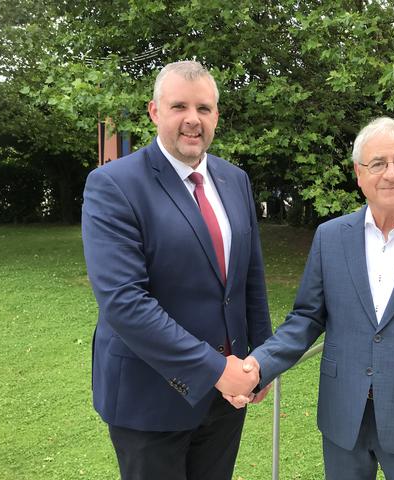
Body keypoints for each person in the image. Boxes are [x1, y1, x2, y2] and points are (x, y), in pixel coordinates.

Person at [227, 117, 394, 479]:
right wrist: (260, 366)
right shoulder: (331, 238)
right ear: (359, 173)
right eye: (378, 164)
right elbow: (306, 319)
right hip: (344, 419)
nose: (391, 174)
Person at [81, 60, 272, 480]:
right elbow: (124, 302)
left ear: (216, 115)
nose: (193, 120)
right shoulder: (114, 184)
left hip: (226, 402)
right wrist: (215, 371)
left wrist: (262, 358)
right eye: (179, 107)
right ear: (154, 111)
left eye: (204, 109)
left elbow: (249, 278)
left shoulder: (234, 179)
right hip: (149, 398)